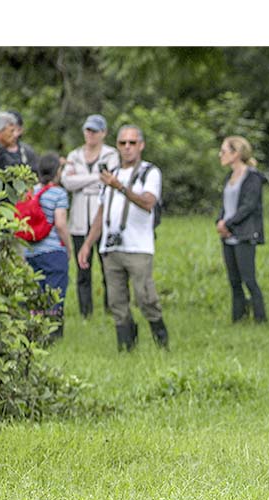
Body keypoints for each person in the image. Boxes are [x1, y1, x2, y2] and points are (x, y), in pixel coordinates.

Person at [77, 125, 168, 352]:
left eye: (132, 143)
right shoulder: (112, 173)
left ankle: (161, 342)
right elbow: (100, 212)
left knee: (145, 297)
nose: (127, 148)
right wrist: (87, 244)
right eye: (122, 143)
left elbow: (148, 203)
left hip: (138, 246)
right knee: (116, 301)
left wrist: (120, 188)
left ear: (141, 145)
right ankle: (126, 347)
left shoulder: (149, 172)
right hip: (111, 246)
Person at [62, 114, 120, 318]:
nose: (91, 135)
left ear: (103, 133)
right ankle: (85, 312)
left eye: (95, 131)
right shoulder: (75, 154)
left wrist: (81, 180)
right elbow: (67, 182)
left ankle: (110, 308)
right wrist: (96, 178)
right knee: (82, 269)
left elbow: (111, 180)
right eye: (88, 130)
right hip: (78, 221)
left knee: (108, 269)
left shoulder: (111, 154)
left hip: (102, 219)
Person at [22, 153, 73, 342]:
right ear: (56, 172)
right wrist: (68, 248)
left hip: (31, 251)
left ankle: (35, 334)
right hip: (53, 252)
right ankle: (53, 336)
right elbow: (60, 224)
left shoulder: (31, 191)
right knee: (55, 294)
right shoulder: (58, 193)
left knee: (36, 293)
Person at [216, 135, 267, 324]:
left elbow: (249, 205)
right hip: (228, 234)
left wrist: (229, 223)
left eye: (224, 151)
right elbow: (225, 204)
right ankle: (238, 317)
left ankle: (260, 317)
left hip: (244, 232)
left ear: (236, 153)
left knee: (248, 278)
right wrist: (220, 222)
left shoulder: (252, 177)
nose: (220, 155)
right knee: (234, 280)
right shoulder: (228, 177)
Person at [7, 110, 40, 175]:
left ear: (21, 130)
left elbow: (36, 173)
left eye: (16, 129)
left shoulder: (27, 151)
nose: (14, 134)